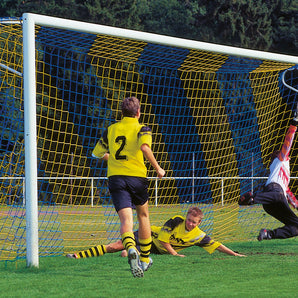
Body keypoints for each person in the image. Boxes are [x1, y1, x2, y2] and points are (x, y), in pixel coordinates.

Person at [91, 96, 165, 278]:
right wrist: (158, 168)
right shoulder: (142, 129)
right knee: (143, 215)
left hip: (116, 178)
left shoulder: (111, 129)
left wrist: (114, 160)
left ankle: (131, 247)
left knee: (126, 220)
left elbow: (97, 154)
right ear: (138, 113)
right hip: (137, 178)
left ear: (121, 113)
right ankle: (145, 259)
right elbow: (145, 148)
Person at [66, 207, 246, 261]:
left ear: (199, 223)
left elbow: (217, 245)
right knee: (116, 246)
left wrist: (235, 254)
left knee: (125, 252)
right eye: (189, 219)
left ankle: (131, 253)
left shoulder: (199, 235)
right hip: (150, 236)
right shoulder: (176, 220)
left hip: (157, 250)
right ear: (186, 217)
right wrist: (175, 254)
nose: (190, 223)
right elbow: (164, 240)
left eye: (193, 221)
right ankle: (76, 255)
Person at [239, 109, 298, 241]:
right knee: (278, 194)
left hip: (273, 202)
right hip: (272, 193)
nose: (284, 153)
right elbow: (288, 143)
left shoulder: (284, 173)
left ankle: (268, 234)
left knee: (296, 227)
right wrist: (294, 124)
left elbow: (288, 193)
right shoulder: (280, 160)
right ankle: (252, 198)